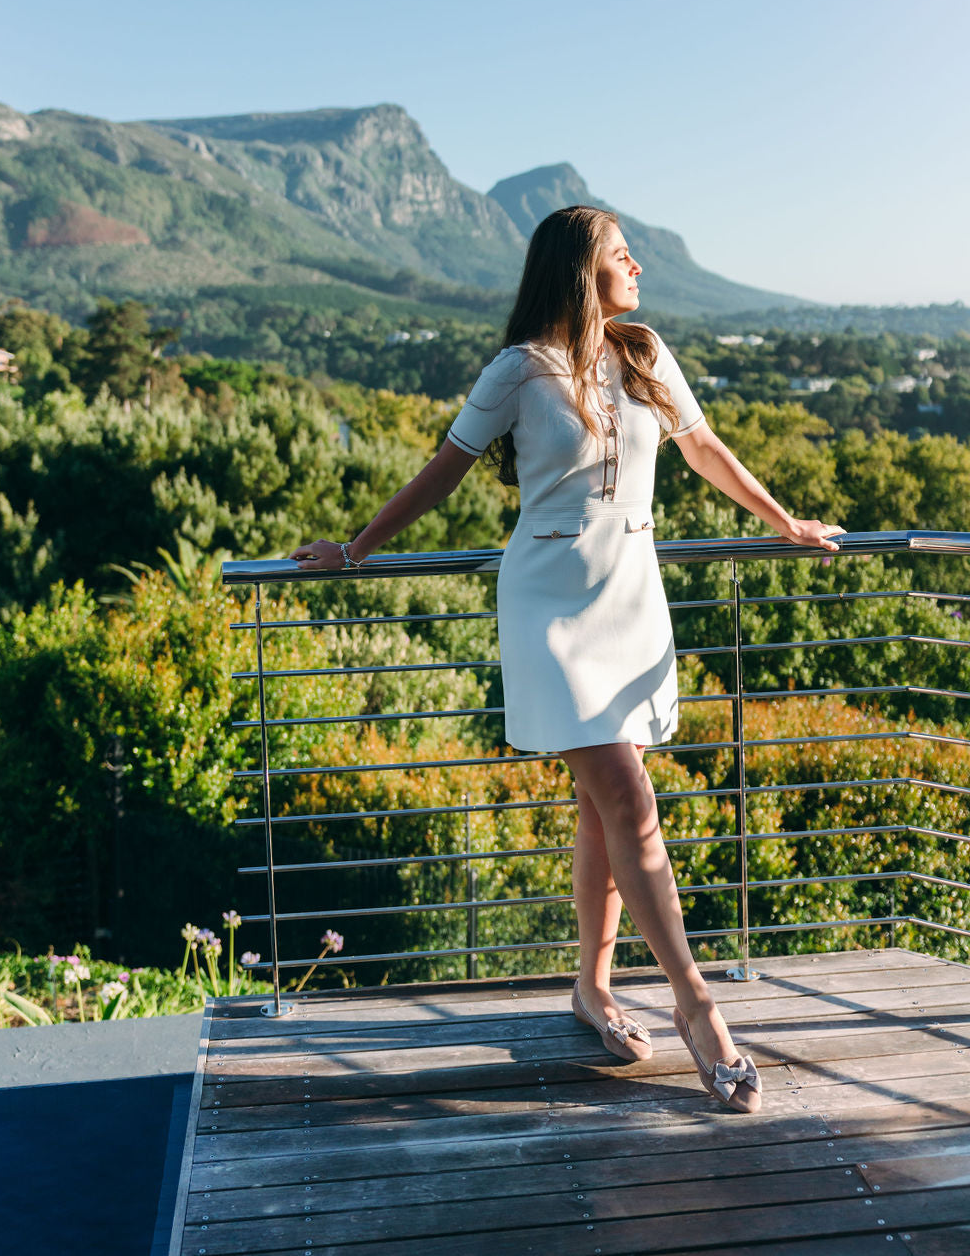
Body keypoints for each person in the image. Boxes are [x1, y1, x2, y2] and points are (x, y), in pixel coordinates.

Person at [291, 204, 845, 1114]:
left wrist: (785, 522)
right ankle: (698, 1007)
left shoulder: (643, 351)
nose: (638, 269)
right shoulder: (517, 370)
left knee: (602, 806)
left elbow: (703, 447)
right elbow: (443, 470)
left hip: (632, 600)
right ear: (582, 268)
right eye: (624, 256)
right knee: (629, 796)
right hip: (548, 608)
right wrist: (354, 549)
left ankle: (591, 986)